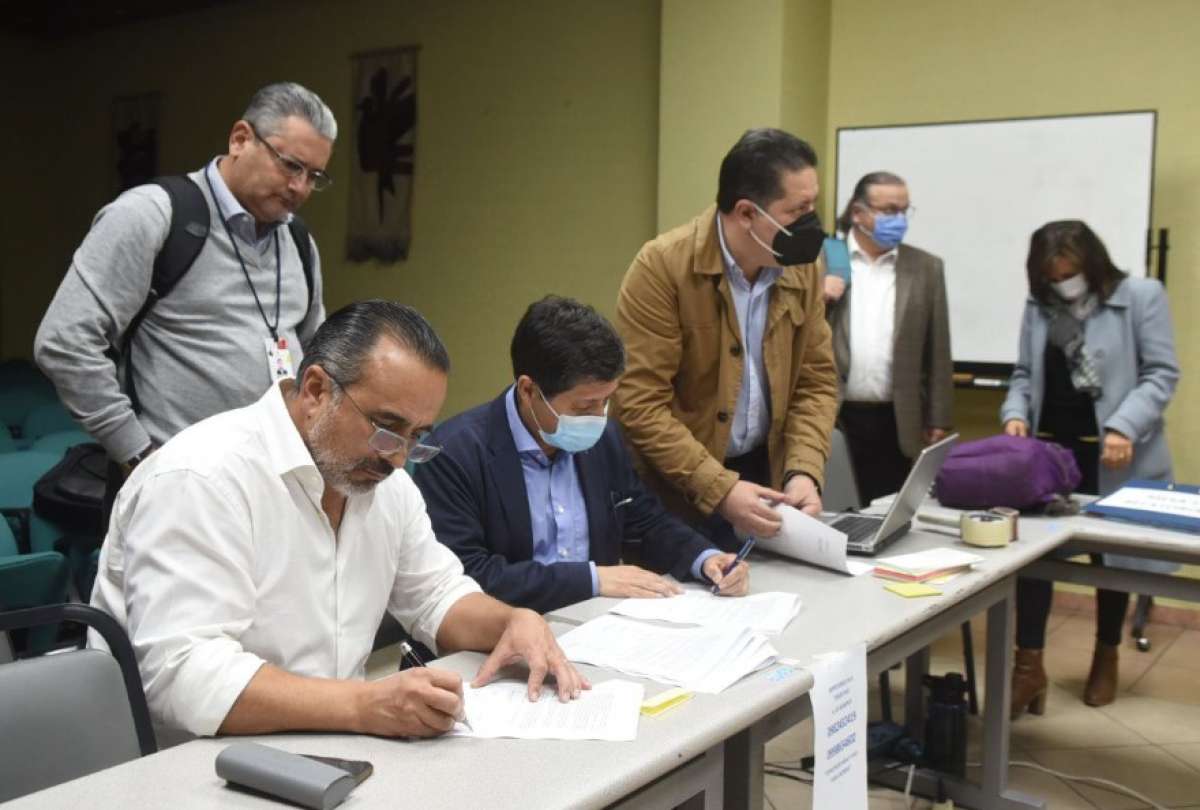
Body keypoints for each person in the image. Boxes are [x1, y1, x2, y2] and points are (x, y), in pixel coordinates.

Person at [89, 301, 587, 740]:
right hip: (194, 764)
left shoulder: (384, 484)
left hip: (332, 741)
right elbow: (184, 676)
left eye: (418, 436)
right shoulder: (202, 476)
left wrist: (511, 620)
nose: (399, 458)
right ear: (315, 390)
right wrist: (363, 705)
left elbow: (436, 595)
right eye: (387, 428)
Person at [36, 82, 335, 479]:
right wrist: (139, 456)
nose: (300, 187)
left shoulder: (298, 241)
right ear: (240, 139)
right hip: (173, 483)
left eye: (314, 175)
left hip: (272, 485)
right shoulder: (151, 215)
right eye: (291, 165)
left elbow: (316, 356)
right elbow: (64, 342)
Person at [415, 296, 750, 614]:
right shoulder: (454, 454)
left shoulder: (603, 437)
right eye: (585, 405)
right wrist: (592, 579)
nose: (598, 416)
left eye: (606, 401)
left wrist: (704, 558)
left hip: (595, 625)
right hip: (501, 635)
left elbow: (644, 522)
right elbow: (468, 575)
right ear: (529, 390)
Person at [614, 128, 839, 550]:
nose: (812, 222)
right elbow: (639, 403)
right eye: (798, 209)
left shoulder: (801, 267)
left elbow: (816, 381)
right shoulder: (663, 267)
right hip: (675, 493)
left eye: (814, 205)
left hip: (763, 478)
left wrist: (803, 471)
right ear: (747, 213)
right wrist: (719, 488)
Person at [1001, 220, 1179, 716]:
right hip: (1051, 455)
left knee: (1111, 560)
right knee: (1032, 559)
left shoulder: (1140, 296)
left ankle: (1106, 654)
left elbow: (1161, 373)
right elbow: (1022, 376)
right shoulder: (1039, 306)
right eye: (1053, 274)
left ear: (1093, 264)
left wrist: (1124, 426)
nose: (1063, 282)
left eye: (1071, 272)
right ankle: (1028, 665)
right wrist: (1015, 414)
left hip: (1115, 454)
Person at [825, 172, 953, 503]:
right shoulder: (825, 258)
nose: (898, 220)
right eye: (889, 210)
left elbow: (937, 348)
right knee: (833, 509)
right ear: (857, 212)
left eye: (904, 211)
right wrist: (819, 297)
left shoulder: (925, 267)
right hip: (834, 413)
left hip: (896, 418)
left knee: (888, 514)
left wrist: (939, 417)